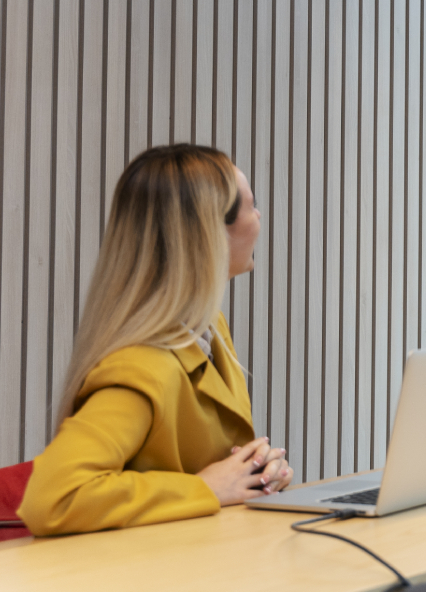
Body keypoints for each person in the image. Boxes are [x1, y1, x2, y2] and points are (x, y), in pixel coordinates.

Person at [20, 145, 294, 535]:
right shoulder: (142, 366)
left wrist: (254, 473)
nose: (260, 217)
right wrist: (205, 488)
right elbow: (53, 497)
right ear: (210, 233)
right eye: (252, 205)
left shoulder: (208, 327)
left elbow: (212, 463)